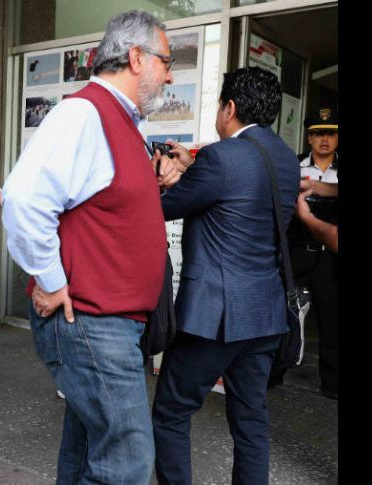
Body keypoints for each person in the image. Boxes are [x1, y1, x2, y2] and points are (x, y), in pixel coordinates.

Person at [2, 10, 183, 483]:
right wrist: (51, 277)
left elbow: (100, 206)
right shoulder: (85, 113)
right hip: (91, 321)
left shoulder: (117, 121)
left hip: (106, 322)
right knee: (127, 461)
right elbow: (23, 199)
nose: (170, 73)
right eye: (166, 61)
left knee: (87, 453)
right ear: (136, 57)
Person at [151, 66, 300, 485]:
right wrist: (194, 163)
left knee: (172, 410)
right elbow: (242, 190)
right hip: (265, 314)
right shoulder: (286, 160)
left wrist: (163, 175)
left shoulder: (221, 157)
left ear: (229, 107)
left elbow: (167, 206)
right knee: (251, 421)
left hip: (213, 319)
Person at [272, 108, 339, 399]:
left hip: (330, 257)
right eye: (318, 133)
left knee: (332, 320)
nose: (324, 139)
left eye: (330, 133)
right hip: (298, 252)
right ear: (309, 136)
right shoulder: (293, 166)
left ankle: (332, 385)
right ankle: (275, 374)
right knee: (283, 312)